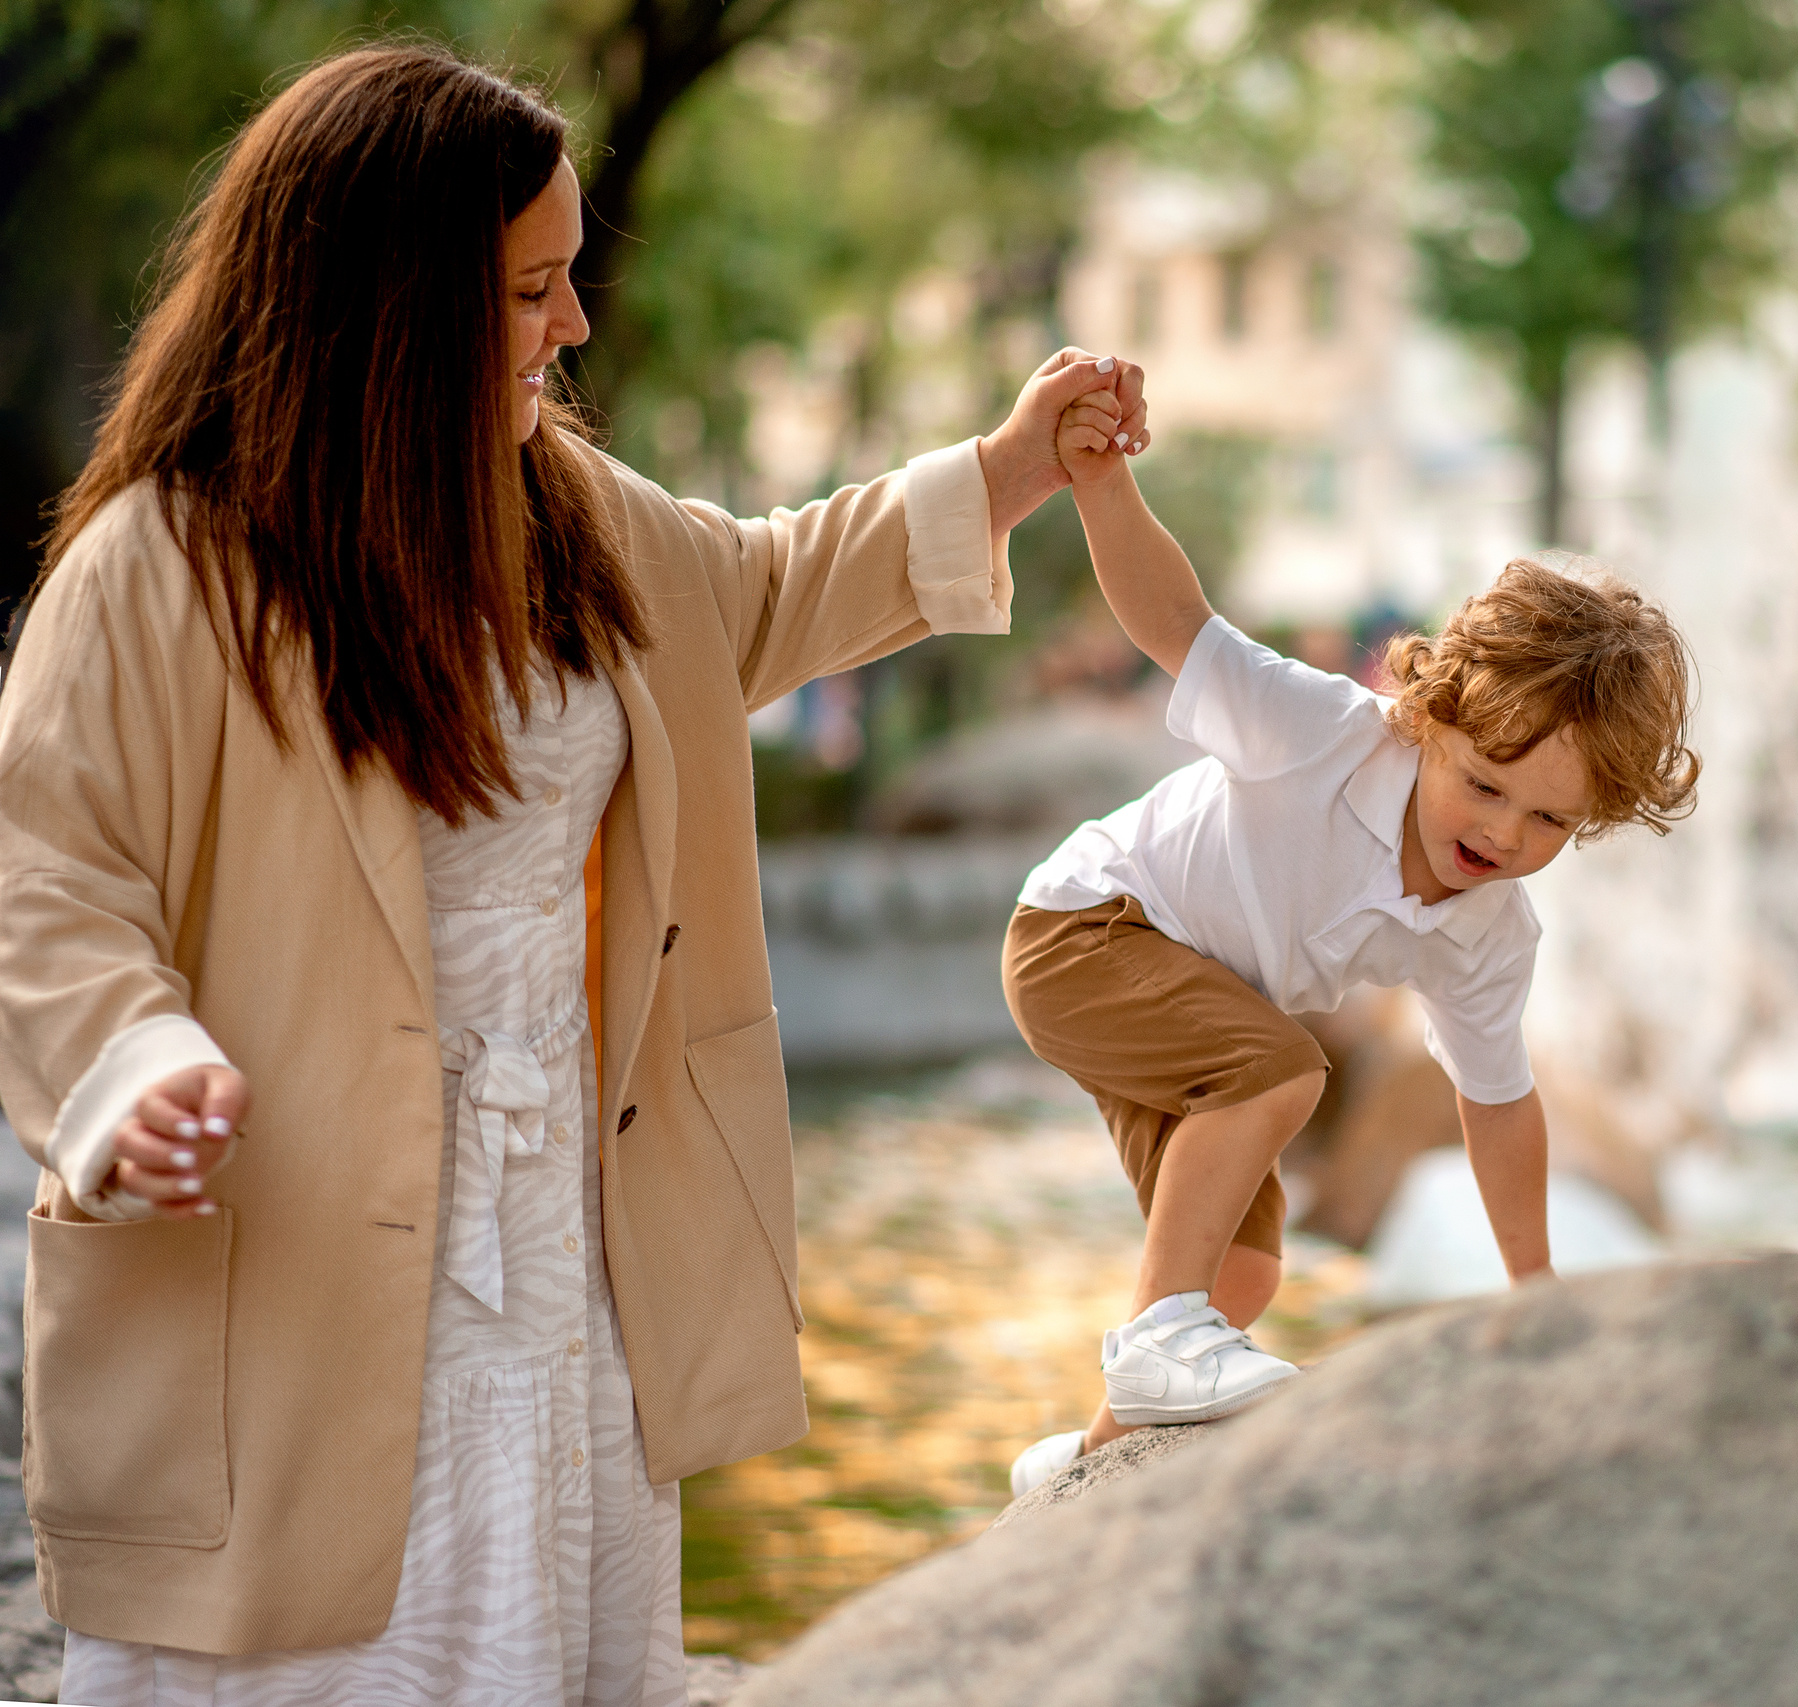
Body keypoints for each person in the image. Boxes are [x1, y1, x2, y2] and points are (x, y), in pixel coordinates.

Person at [0, 44, 1147, 1706]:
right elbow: (49, 875)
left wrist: (1014, 462)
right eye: (533, 286)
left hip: (568, 1255)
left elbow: (760, 592)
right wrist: (131, 1066)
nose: (575, 324)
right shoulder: (162, 565)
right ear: (390, 306)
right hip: (291, 1245)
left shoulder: (576, 523)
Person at [999, 366, 1702, 1495]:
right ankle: (1148, 1349)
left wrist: (1535, 1291)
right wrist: (1100, 485)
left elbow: (1498, 1108)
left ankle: (1080, 1474)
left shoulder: (1487, 933)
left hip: (1189, 1000)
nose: (1504, 833)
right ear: (1429, 721)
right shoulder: (1323, 732)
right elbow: (1176, 622)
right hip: (1085, 930)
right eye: (1483, 785)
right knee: (1279, 1075)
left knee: (1245, 1267)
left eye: (1550, 820)